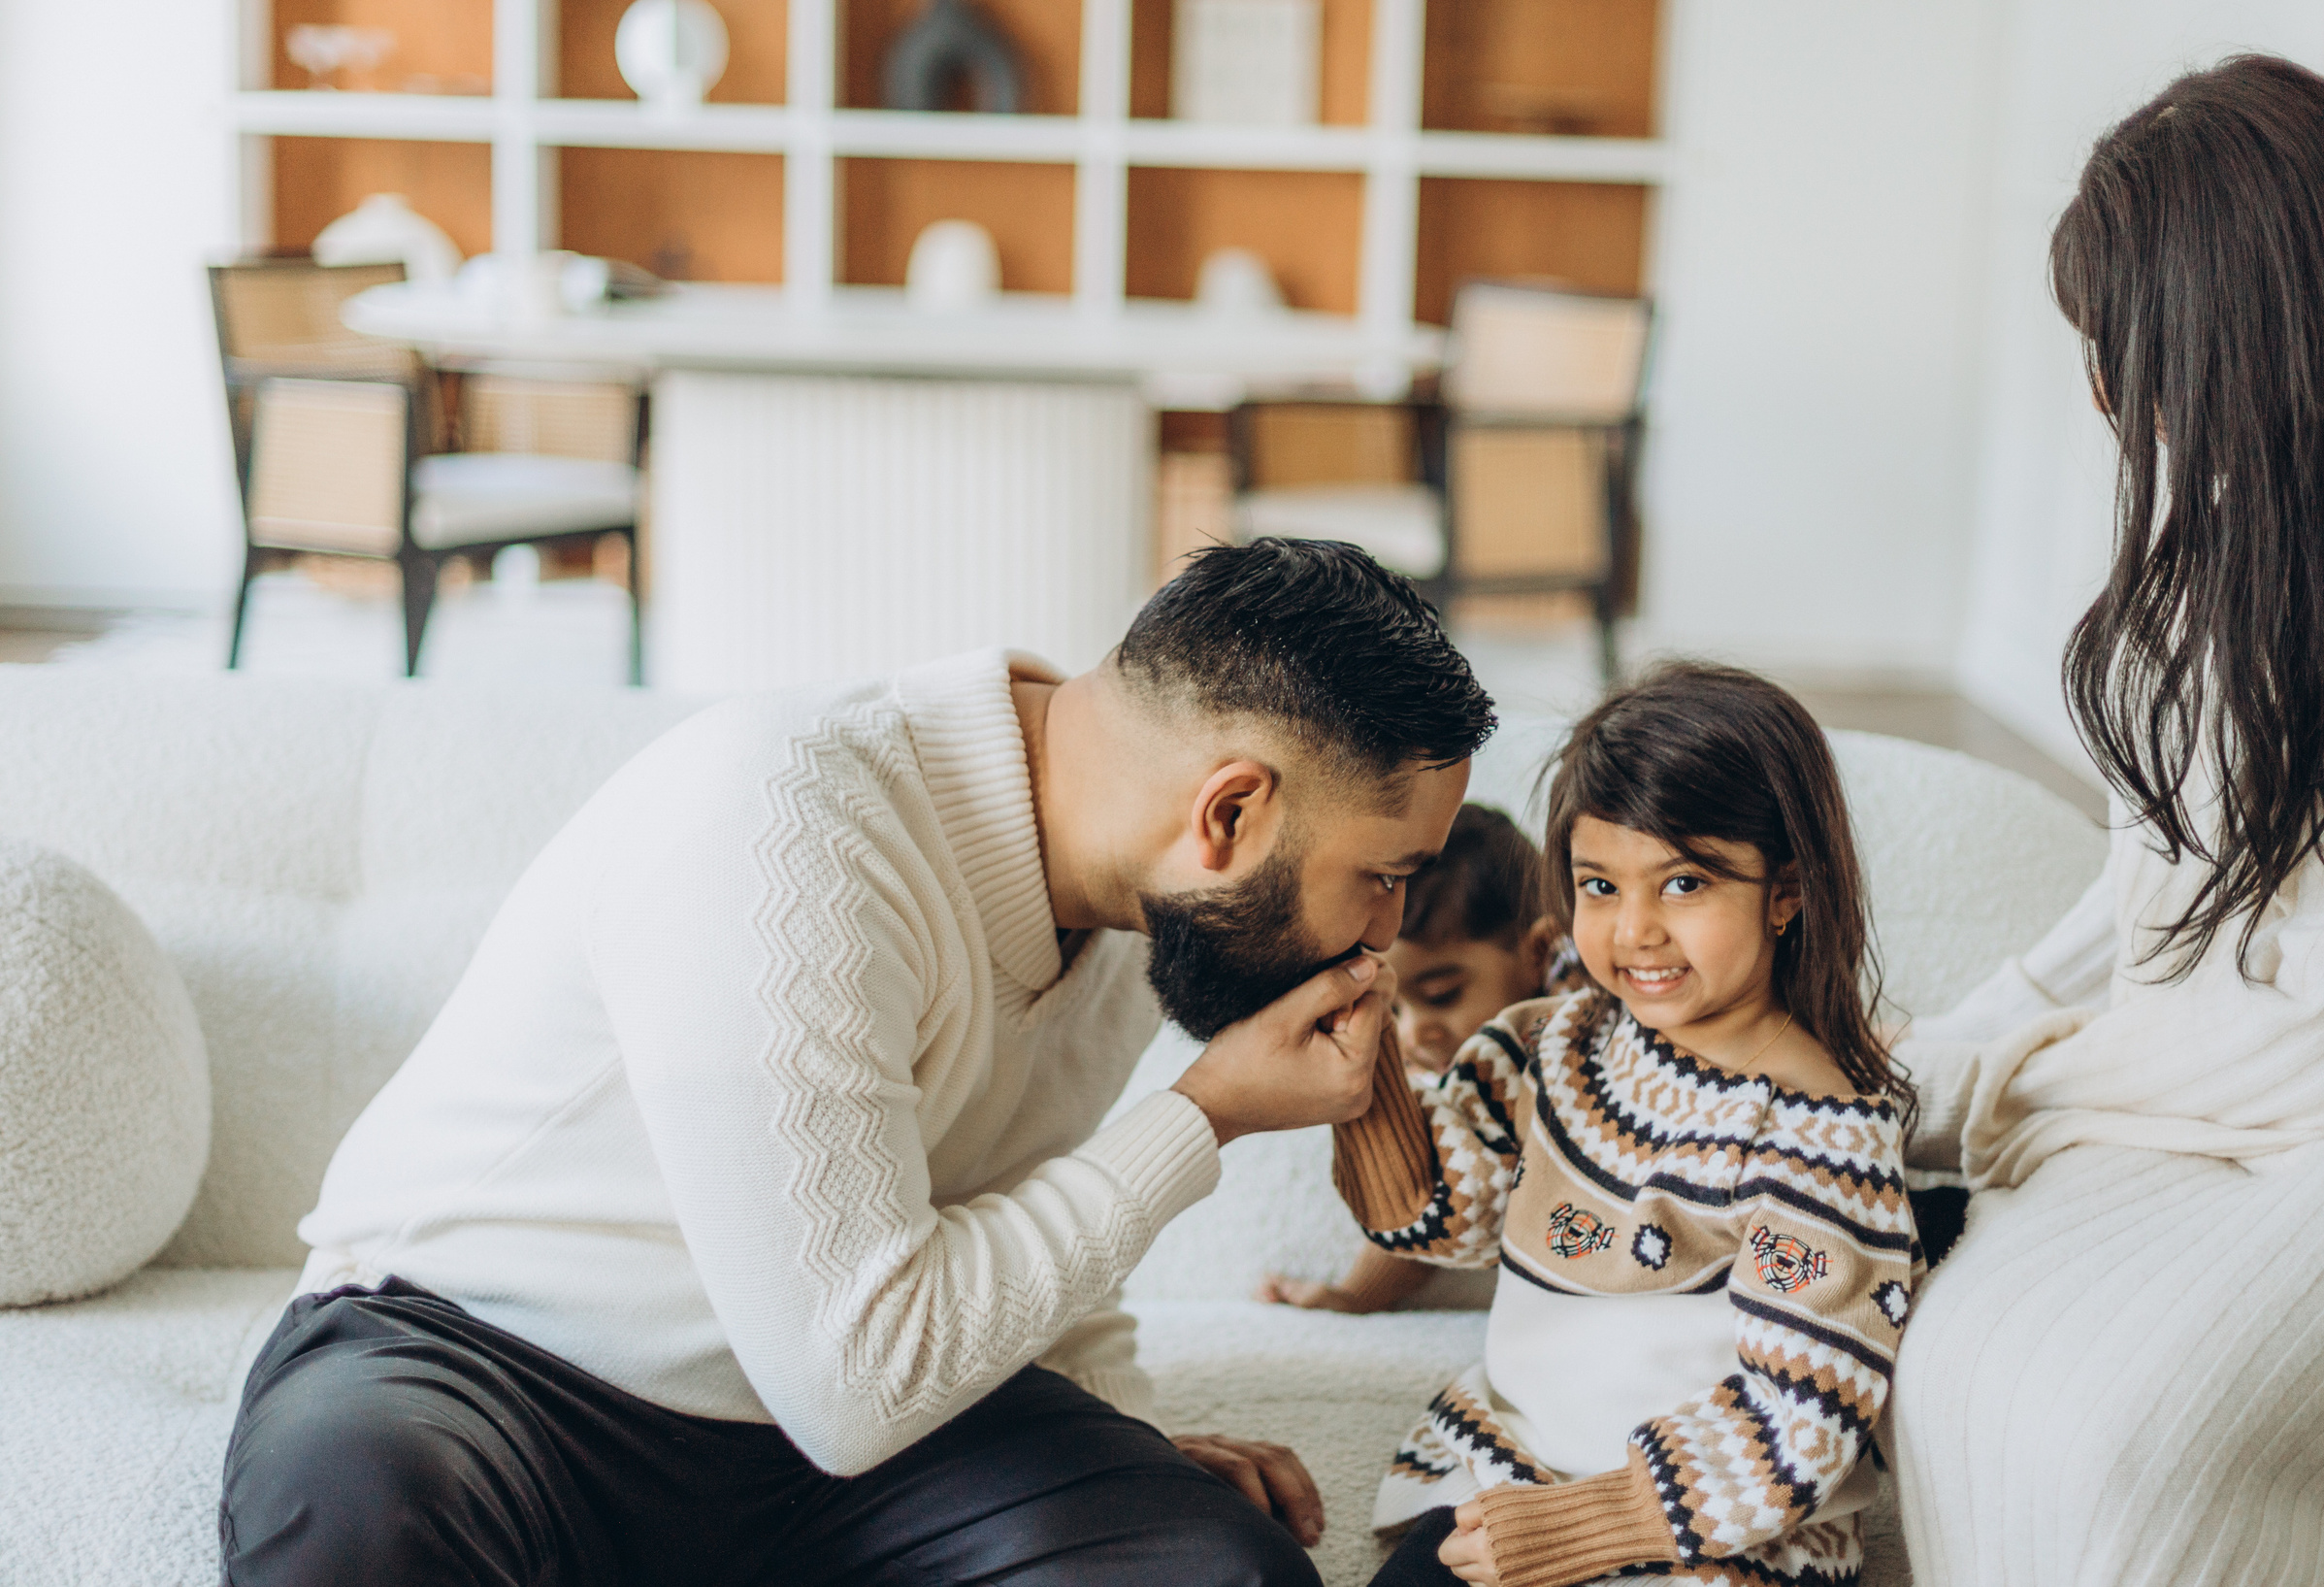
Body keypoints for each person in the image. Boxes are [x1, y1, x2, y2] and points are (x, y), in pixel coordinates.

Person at [216, 539, 1497, 1587]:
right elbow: (854, 1377)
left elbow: (1000, 1202)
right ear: (1229, 812)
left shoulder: (1128, 904)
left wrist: (1122, 1439)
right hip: (489, 1363)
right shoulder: (786, 820)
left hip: (840, 1444)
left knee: (1214, 1566)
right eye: (1381, 877)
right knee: (363, 1520)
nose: (1384, 931)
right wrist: (1200, 1115)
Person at [1890, 55, 2324, 1587]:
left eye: (2123, 350)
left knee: (2138, 1439)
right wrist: (1925, 1058)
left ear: (2249, 344)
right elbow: (2142, 925)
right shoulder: (2205, 597)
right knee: (1963, 1363)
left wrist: (2012, 1093)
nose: (2103, 395)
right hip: (2221, 1113)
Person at [1333, 662, 1921, 1587]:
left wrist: (1581, 1526)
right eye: (1599, 885)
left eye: (1684, 884)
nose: (1635, 928)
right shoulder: (1549, 1041)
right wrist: (1362, 1067)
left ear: (1786, 891)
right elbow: (1437, 1212)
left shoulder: (1819, 1138)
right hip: (1517, 1465)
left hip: (1708, 1532)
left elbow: (1799, 1415)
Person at [1259, 803, 1559, 1315]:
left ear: (1540, 953)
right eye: (1391, 1009)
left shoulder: (1567, 1047)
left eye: (1441, 993)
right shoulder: (1440, 1083)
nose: (1416, 1030)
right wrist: (1358, 1295)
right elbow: (1439, 1193)